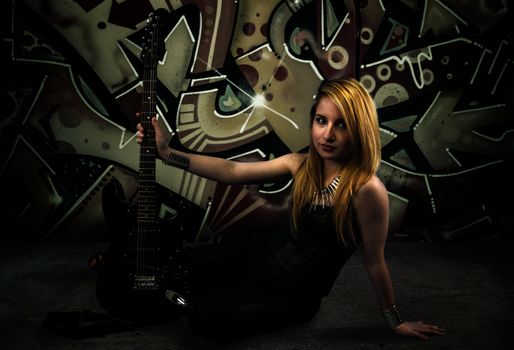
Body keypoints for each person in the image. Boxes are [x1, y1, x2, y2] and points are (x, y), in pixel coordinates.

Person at [136, 78, 445, 340]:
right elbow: (231, 171)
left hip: (294, 294)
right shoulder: (301, 165)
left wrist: (396, 322)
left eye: (342, 125)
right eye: (321, 121)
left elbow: (374, 262)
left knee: (202, 317)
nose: (328, 135)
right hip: (259, 254)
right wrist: (166, 154)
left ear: (360, 130)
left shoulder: (367, 190)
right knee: (176, 260)